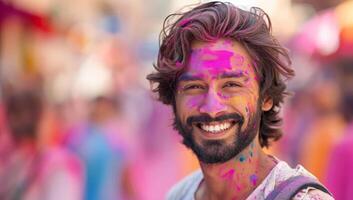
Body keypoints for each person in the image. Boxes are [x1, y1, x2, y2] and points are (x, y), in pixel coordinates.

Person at [146, 2, 334, 200]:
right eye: (194, 87)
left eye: (231, 85)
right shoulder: (179, 194)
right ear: (173, 99)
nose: (212, 108)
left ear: (266, 97)